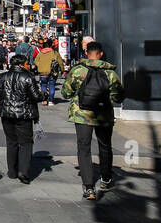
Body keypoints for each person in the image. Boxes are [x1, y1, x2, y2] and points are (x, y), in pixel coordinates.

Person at [61, 39, 125, 201]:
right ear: (101, 54)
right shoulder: (111, 73)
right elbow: (118, 97)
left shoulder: (77, 71)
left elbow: (66, 93)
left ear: (86, 53)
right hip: (103, 115)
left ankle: (89, 187)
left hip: (82, 114)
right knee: (105, 146)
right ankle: (105, 178)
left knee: (84, 147)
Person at [0, 54, 44, 183]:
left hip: (6, 113)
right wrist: (44, 94)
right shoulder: (28, 77)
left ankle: (12, 171)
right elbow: (36, 96)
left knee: (11, 142)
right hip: (24, 114)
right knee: (25, 143)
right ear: (22, 64)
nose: (29, 65)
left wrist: (7, 98)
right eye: (27, 63)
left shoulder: (2, 77)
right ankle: (23, 171)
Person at [34, 39, 63, 106]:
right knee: (51, 85)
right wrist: (62, 70)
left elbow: (35, 61)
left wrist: (40, 65)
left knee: (43, 85)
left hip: (42, 72)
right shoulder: (54, 53)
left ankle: (44, 100)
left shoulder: (40, 53)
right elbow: (60, 62)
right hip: (52, 72)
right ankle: (51, 101)